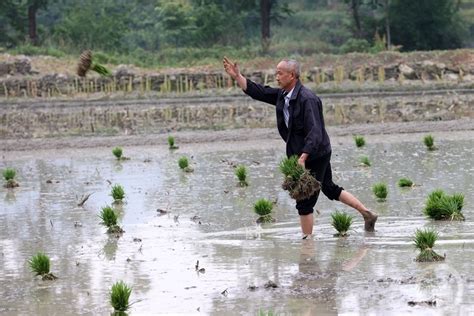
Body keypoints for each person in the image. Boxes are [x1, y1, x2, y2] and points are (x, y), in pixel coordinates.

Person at [222, 57, 378, 238]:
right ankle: (367, 214)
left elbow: (315, 133)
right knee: (328, 187)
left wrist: (303, 158)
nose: (276, 76)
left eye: (280, 73)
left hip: (316, 153)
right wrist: (237, 76)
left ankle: (307, 246)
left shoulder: (307, 99)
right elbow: (259, 92)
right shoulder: (283, 95)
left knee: (304, 201)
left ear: (292, 75)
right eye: (276, 72)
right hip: (303, 153)